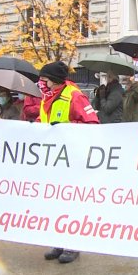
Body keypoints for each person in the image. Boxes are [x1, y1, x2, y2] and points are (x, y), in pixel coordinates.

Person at [37, 61, 99, 264]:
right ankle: (59, 242)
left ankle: (73, 245)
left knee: (72, 204)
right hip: (53, 159)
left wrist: (66, 127)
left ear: (53, 79)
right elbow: (45, 121)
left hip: (72, 159)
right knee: (55, 203)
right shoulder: (47, 97)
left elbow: (92, 124)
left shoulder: (74, 95)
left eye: (44, 79)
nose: (41, 83)